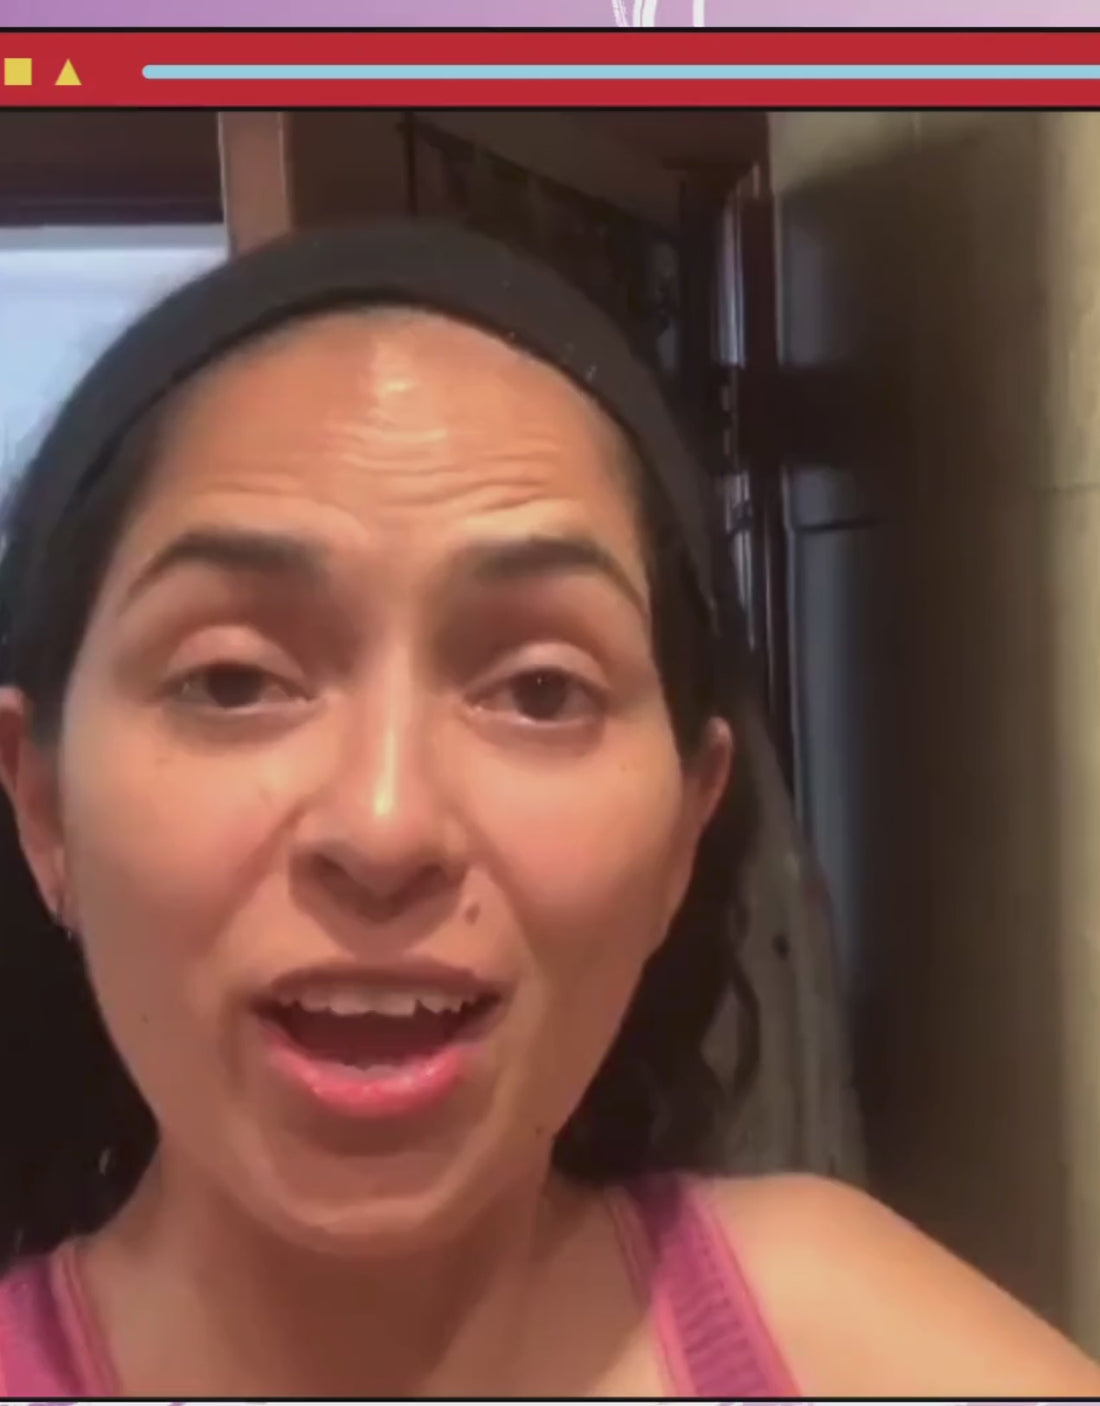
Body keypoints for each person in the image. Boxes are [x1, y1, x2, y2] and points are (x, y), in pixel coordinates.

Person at [0, 221, 1095, 1399]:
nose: (385, 825)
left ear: (684, 830)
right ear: (43, 802)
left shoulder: (848, 1342)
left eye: (539, 690)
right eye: (231, 679)